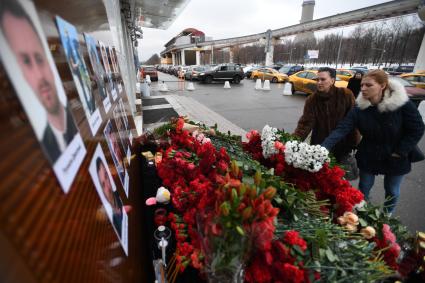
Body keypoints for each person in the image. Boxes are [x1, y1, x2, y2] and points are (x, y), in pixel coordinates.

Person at [322, 70, 424, 214]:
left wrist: (401, 151)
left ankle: (386, 218)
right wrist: (323, 147)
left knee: (392, 191)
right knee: (364, 188)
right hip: (369, 154)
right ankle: (365, 217)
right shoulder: (359, 109)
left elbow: (417, 128)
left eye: (368, 85)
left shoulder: (402, 104)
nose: (363, 88)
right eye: (362, 85)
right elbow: (342, 129)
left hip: (396, 154)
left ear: (382, 86)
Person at [0, 0, 78, 164]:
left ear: (50, 64)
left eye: (39, 58)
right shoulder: (40, 147)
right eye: (26, 62)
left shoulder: (76, 124)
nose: (40, 76)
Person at [293, 67, 360, 163]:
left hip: (343, 146)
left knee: (340, 176)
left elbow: (353, 122)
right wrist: (293, 142)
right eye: (317, 79)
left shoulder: (345, 95)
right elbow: (305, 124)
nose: (319, 82)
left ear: (332, 80)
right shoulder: (312, 100)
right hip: (320, 147)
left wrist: (354, 143)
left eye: (323, 79)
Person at [96, 157, 123, 237]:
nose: (108, 185)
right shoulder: (105, 215)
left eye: (106, 176)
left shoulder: (119, 195)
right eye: (103, 185)